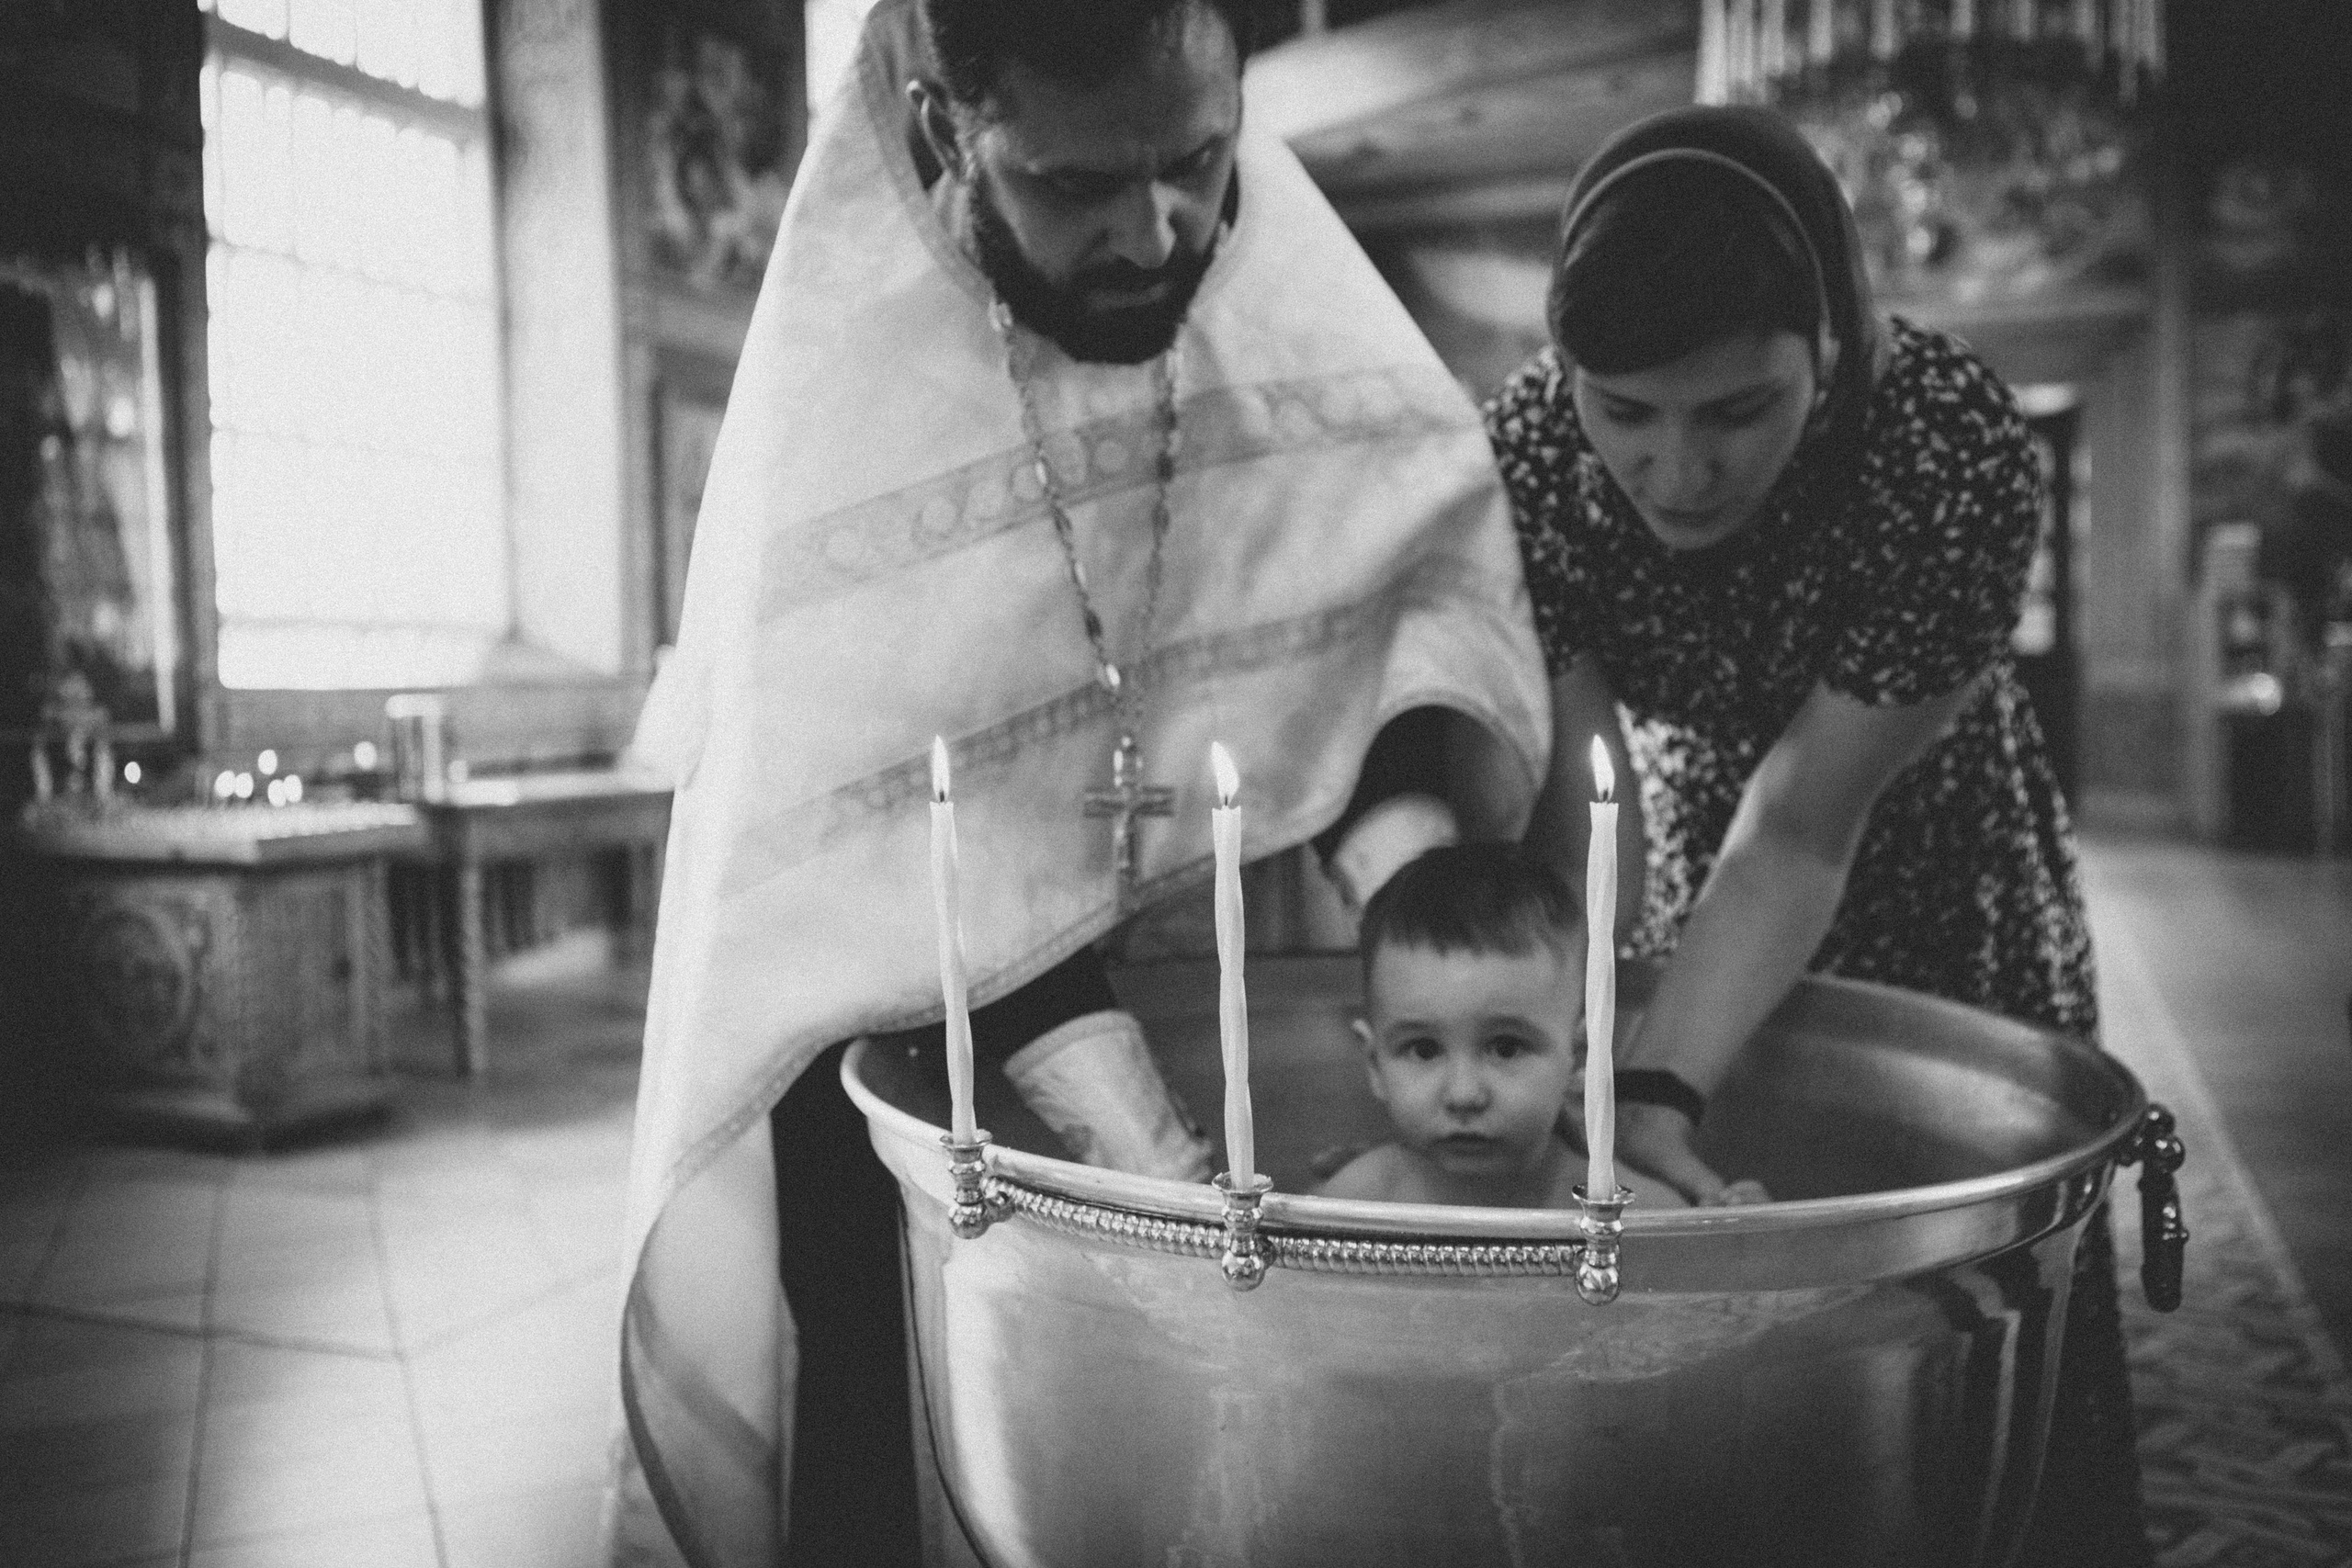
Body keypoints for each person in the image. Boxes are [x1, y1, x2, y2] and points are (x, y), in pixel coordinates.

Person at [605, 1, 1551, 1562]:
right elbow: (859, 837)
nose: (1157, 228)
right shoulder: (847, 383)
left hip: (1228, 978)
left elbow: (1400, 590)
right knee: (903, 1449)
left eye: (1195, 155)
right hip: (921, 1081)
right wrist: (1117, 1117)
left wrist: (1416, 873)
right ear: (941, 135)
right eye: (1074, 182)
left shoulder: (1268, 274)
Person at [1486, 105, 2147, 1564]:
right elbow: (1588, 776)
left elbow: (1798, 825)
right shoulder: (1532, 440)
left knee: (1932, 1302)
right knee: (1696, 1315)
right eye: (1627, 411)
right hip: (1672, 853)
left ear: (1831, 352)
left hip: (1918, 850)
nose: (1675, 472)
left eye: (1736, 411)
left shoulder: (1945, 437)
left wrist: (1657, 1075)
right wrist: (1587, 1025)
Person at [1318, 842, 1704, 1212]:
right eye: (1424, 1049)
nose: (1464, 1094)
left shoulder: (1629, 1213)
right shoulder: (1353, 1203)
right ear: (1374, 1065)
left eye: (1505, 1047)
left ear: (1578, 1059)